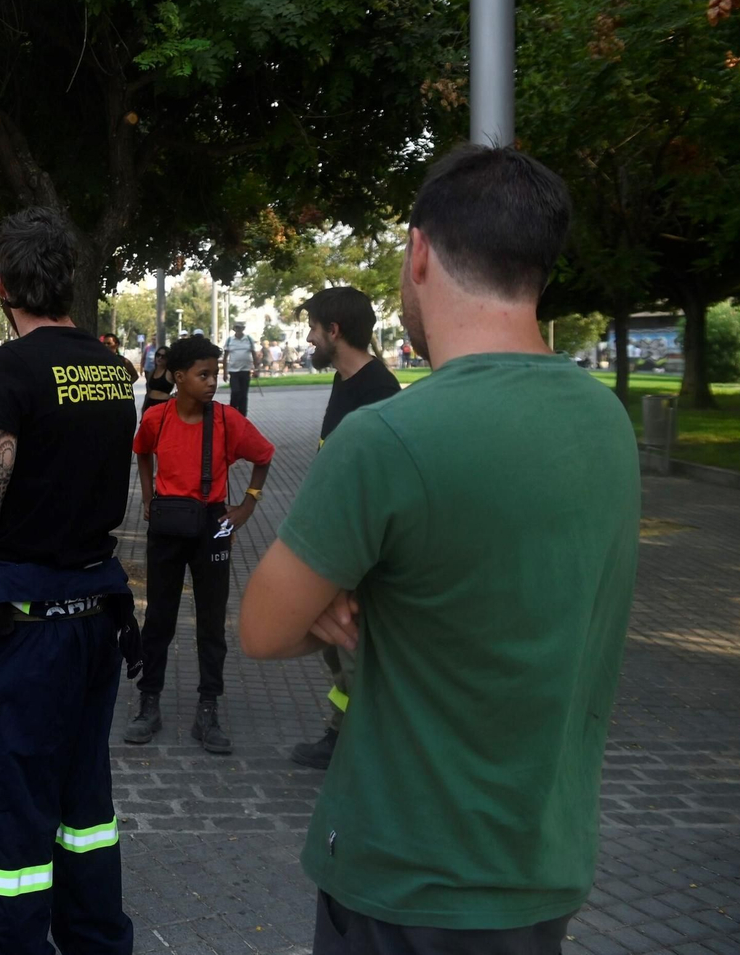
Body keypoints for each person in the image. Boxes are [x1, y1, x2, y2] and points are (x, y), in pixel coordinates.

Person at [239, 145, 639, 953]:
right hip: (540, 866)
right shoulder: (606, 422)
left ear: (419, 251)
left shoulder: (386, 438)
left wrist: (340, 595)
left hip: (407, 875)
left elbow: (263, 628)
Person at [0, 206, 135, 955]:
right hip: (97, 612)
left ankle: (14, 944)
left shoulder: (12, 368)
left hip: (25, 627)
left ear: (0, 285)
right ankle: (94, 937)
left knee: (17, 801)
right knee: (85, 801)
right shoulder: (112, 368)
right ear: (69, 279)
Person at [126, 335, 272, 754]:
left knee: (211, 621)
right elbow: (141, 452)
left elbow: (263, 455)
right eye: (203, 374)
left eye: (216, 374)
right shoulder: (157, 417)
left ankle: (208, 707)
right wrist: (149, 497)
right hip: (168, 524)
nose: (212, 382)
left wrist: (247, 505)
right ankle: (149, 701)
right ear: (178, 377)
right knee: (158, 618)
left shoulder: (227, 421)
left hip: (213, 524)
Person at [284, 286, 403, 771]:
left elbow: (387, 484)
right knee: (336, 652)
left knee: (355, 653)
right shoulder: (346, 381)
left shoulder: (380, 392)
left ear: (334, 330)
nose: (309, 338)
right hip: (336, 545)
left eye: (314, 328)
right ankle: (341, 735)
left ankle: (365, 752)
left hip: (360, 554)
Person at [141, 346, 173, 415]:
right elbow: (148, 392)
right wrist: (143, 408)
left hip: (163, 405)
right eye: (158, 355)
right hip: (150, 403)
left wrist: (174, 396)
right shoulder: (152, 372)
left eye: (163, 356)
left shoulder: (169, 373)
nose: (160, 358)